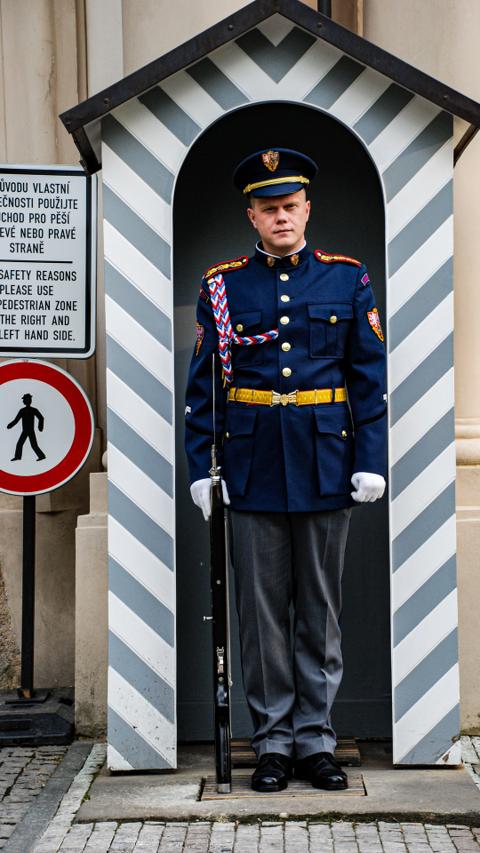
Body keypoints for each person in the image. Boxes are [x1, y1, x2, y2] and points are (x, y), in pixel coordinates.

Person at [184, 148, 387, 792]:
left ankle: (315, 741)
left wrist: (370, 460)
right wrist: (200, 467)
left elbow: (368, 379)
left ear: (307, 209)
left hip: (326, 463)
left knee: (319, 613)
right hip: (252, 467)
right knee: (262, 615)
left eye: (290, 206)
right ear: (251, 214)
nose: (281, 217)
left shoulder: (346, 279)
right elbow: (204, 387)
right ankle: (272, 742)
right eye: (268, 208)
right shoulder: (222, 286)